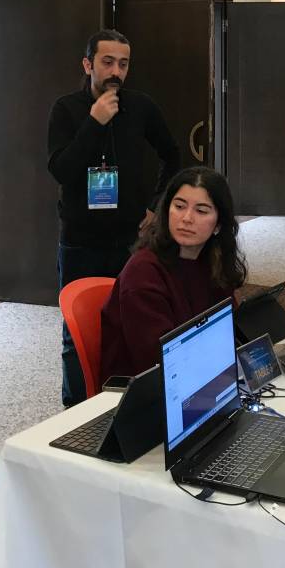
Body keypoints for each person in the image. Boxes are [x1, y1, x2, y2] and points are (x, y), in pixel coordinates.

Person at [48, 29, 181, 404]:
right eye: (107, 62)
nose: (116, 72)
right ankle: (76, 410)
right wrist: (94, 123)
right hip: (80, 241)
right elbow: (61, 170)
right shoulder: (66, 109)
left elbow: (172, 154)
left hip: (132, 241)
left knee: (133, 323)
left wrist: (157, 206)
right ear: (87, 64)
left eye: (123, 64)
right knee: (76, 333)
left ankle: (128, 403)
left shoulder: (141, 107)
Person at [100, 167, 246, 380]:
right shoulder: (143, 272)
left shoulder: (211, 261)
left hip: (202, 373)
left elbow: (227, 330)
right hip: (149, 387)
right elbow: (160, 361)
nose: (187, 218)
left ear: (218, 225)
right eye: (179, 206)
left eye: (201, 211)